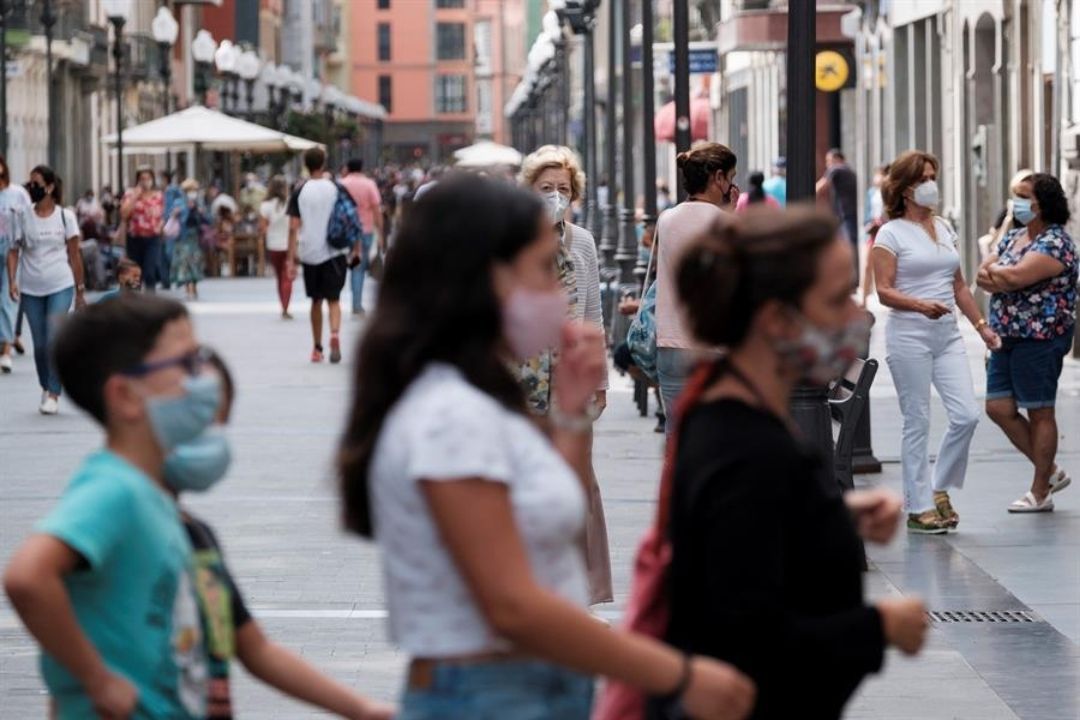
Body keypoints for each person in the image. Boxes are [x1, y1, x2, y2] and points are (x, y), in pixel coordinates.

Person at [337, 176, 755, 720]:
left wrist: (572, 415)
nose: (557, 292)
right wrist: (673, 673)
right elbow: (512, 606)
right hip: (488, 694)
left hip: (534, 688)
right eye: (541, 271)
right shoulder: (449, 418)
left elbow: (554, 523)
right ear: (484, 279)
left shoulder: (482, 396)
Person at [663, 206, 927, 720]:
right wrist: (881, 626)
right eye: (836, 300)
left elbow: (748, 537)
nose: (858, 316)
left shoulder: (731, 407)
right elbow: (750, 644)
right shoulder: (746, 446)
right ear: (777, 321)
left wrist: (831, 514)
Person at [3, 295, 218, 720]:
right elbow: (27, 576)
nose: (204, 379)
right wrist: (96, 679)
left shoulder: (148, 489)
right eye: (187, 364)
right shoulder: (115, 490)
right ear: (125, 395)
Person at [159, 350, 394, 720]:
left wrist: (362, 709)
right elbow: (34, 576)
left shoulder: (194, 536)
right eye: (200, 420)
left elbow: (256, 650)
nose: (212, 439)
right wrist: (98, 679)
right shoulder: (120, 502)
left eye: (220, 423)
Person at [872, 150, 999, 534]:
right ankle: (918, 507)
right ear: (907, 189)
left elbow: (958, 284)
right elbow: (883, 291)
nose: (933, 184)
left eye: (933, 176)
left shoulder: (944, 227)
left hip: (947, 336)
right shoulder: (889, 233)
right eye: (925, 178)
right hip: (909, 335)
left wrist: (981, 325)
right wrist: (919, 305)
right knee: (918, 421)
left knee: (966, 414)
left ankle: (939, 486)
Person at [519, 144, 612, 606]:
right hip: (526, 377)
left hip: (573, 376)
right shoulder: (512, 240)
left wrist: (601, 381)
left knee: (578, 482)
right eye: (545, 188)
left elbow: (593, 310)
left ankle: (581, 592)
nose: (555, 196)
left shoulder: (583, 241)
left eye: (562, 189)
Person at [977, 172, 1078, 513]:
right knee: (998, 407)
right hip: (1005, 335)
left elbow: (1016, 276)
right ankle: (1049, 470)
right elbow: (983, 275)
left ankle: (1040, 490)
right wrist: (1001, 275)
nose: (1016, 203)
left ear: (1043, 204)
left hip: (1040, 338)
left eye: (1023, 197)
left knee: (1039, 410)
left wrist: (1002, 274)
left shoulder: (1056, 243)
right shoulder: (1017, 236)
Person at [655, 142, 738, 423]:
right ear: (717, 178)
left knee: (677, 436)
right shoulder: (725, 224)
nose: (731, 185)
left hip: (670, 341)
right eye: (731, 177)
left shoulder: (666, 219)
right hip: (711, 346)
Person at [6, 165, 85, 415]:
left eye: (37, 183)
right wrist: (12, 280)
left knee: (53, 338)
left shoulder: (66, 217)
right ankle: (46, 385)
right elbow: (14, 250)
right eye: (30, 183)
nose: (32, 187)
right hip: (31, 288)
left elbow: (75, 255)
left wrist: (80, 291)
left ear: (50, 187)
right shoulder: (22, 215)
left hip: (60, 285)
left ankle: (53, 391)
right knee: (39, 345)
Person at [287, 147, 349, 364]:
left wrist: (290, 258)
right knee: (334, 299)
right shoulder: (335, 188)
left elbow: (294, 226)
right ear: (323, 163)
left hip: (310, 251)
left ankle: (317, 347)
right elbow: (350, 216)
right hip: (335, 251)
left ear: (306, 164)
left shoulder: (300, 191)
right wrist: (356, 248)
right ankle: (334, 333)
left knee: (316, 301)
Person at [340, 158, 385, 317]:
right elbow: (376, 209)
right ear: (361, 168)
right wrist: (381, 232)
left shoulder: (342, 184)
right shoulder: (369, 184)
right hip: (365, 230)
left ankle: (354, 298)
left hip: (345, 232)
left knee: (354, 265)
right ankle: (357, 304)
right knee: (359, 266)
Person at [0, 155, 30, 374]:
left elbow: (29, 218)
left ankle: (7, 349)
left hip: (11, 249)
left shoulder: (17, 193)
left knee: (8, 298)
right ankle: (9, 338)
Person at [120, 167, 165, 292]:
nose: (145, 182)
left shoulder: (158, 196)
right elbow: (124, 215)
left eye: (148, 178)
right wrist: (135, 196)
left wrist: (161, 226)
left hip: (152, 239)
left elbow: (162, 215)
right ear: (138, 180)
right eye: (142, 179)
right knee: (134, 274)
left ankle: (150, 304)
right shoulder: (130, 194)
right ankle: (135, 304)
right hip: (134, 238)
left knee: (150, 272)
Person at [816, 149, 859, 277]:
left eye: (829, 161)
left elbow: (819, 187)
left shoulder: (837, 169)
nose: (828, 164)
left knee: (847, 245)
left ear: (838, 159)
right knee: (849, 244)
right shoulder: (849, 170)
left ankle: (849, 277)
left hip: (845, 215)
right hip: (848, 213)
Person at [171, 179, 212, 301]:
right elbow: (177, 218)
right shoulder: (179, 202)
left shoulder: (199, 203)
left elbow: (208, 220)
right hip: (183, 237)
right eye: (190, 190)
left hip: (195, 238)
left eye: (194, 190)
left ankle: (194, 286)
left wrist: (201, 212)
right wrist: (185, 210)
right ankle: (188, 287)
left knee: (195, 262)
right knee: (184, 262)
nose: (192, 193)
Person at [260, 176, 294, 319]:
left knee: (279, 277)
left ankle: (283, 305)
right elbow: (296, 225)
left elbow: (263, 227)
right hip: (289, 244)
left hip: (273, 245)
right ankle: (286, 307)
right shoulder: (291, 203)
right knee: (288, 277)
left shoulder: (265, 205)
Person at [861, 165, 888, 306]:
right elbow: (867, 211)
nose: (877, 178)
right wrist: (868, 224)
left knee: (886, 267)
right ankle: (864, 300)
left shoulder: (890, 192)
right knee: (867, 265)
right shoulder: (872, 192)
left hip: (886, 231)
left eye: (881, 175)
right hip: (873, 232)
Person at [161, 171, 185, 289]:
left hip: (169, 226)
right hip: (167, 226)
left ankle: (171, 279)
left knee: (169, 254)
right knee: (167, 254)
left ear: (165, 179)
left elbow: (171, 209)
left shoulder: (172, 191)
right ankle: (168, 280)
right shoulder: (166, 192)